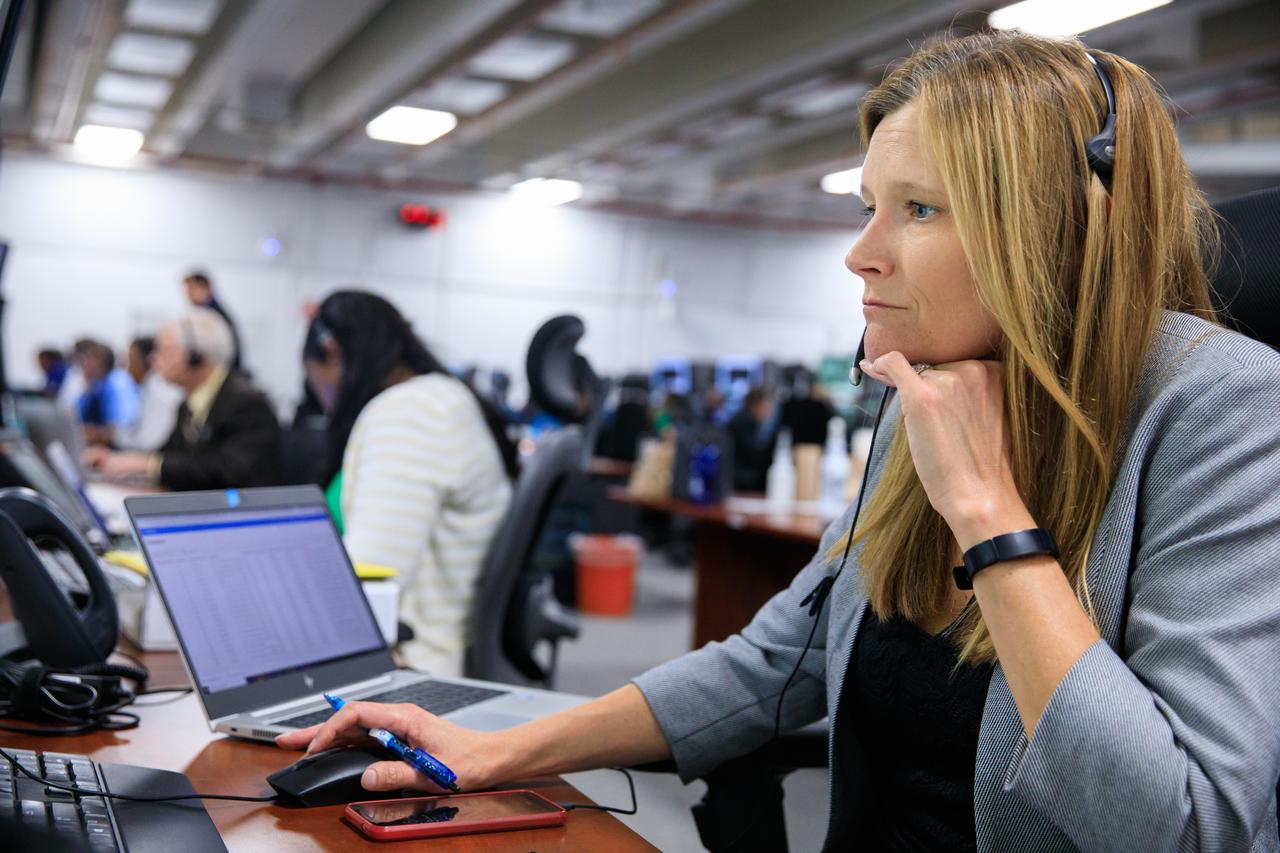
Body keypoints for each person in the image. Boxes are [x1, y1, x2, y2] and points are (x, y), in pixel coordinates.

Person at [277, 32, 1280, 851]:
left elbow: (1183, 824)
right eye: (868, 207)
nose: (860, 252)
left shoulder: (1223, 410)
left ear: (1063, 233)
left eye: (917, 209)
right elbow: (770, 665)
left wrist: (989, 519)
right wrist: (504, 748)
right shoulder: (921, 393)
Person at [302, 290, 517, 676]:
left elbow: (373, 569)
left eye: (316, 385)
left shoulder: (410, 415)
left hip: (414, 662)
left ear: (331, 353)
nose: (323, 404)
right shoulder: (439, 396)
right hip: (417, 651)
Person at [84, 309, 280, 490]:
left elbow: (227, 469)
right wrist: (120, 461)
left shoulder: (247, 404)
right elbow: (169, 457)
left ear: (195, 355)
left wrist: (147, 465)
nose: (154, 359)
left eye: (163, 349)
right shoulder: (189, 404)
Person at [114, 335, 183, 452]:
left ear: (149, 360)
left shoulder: (160, 392)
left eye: (131, 361)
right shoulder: (150, 387)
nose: (127, 369)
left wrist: (113, 436)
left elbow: (149, 444)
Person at [76, 340, 140, 446]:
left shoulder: (118, 384)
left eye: (89, 361)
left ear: (100, 364)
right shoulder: (97, 384)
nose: (85, 365)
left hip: (122, 448)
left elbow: (123, 428)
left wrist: (95, 433)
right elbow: (77, 411)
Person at [183, 270, 244, 373]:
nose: (188, 296)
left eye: (191, 290)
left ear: (204, 288)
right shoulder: (208, 313)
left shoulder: (215, 317)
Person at [727, 387, 776, 493]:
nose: (768, 410)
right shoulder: (744, 422)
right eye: (765, 405)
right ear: (756, 405)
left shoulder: (742, 419)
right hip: (741, 482)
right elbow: (754, 455)